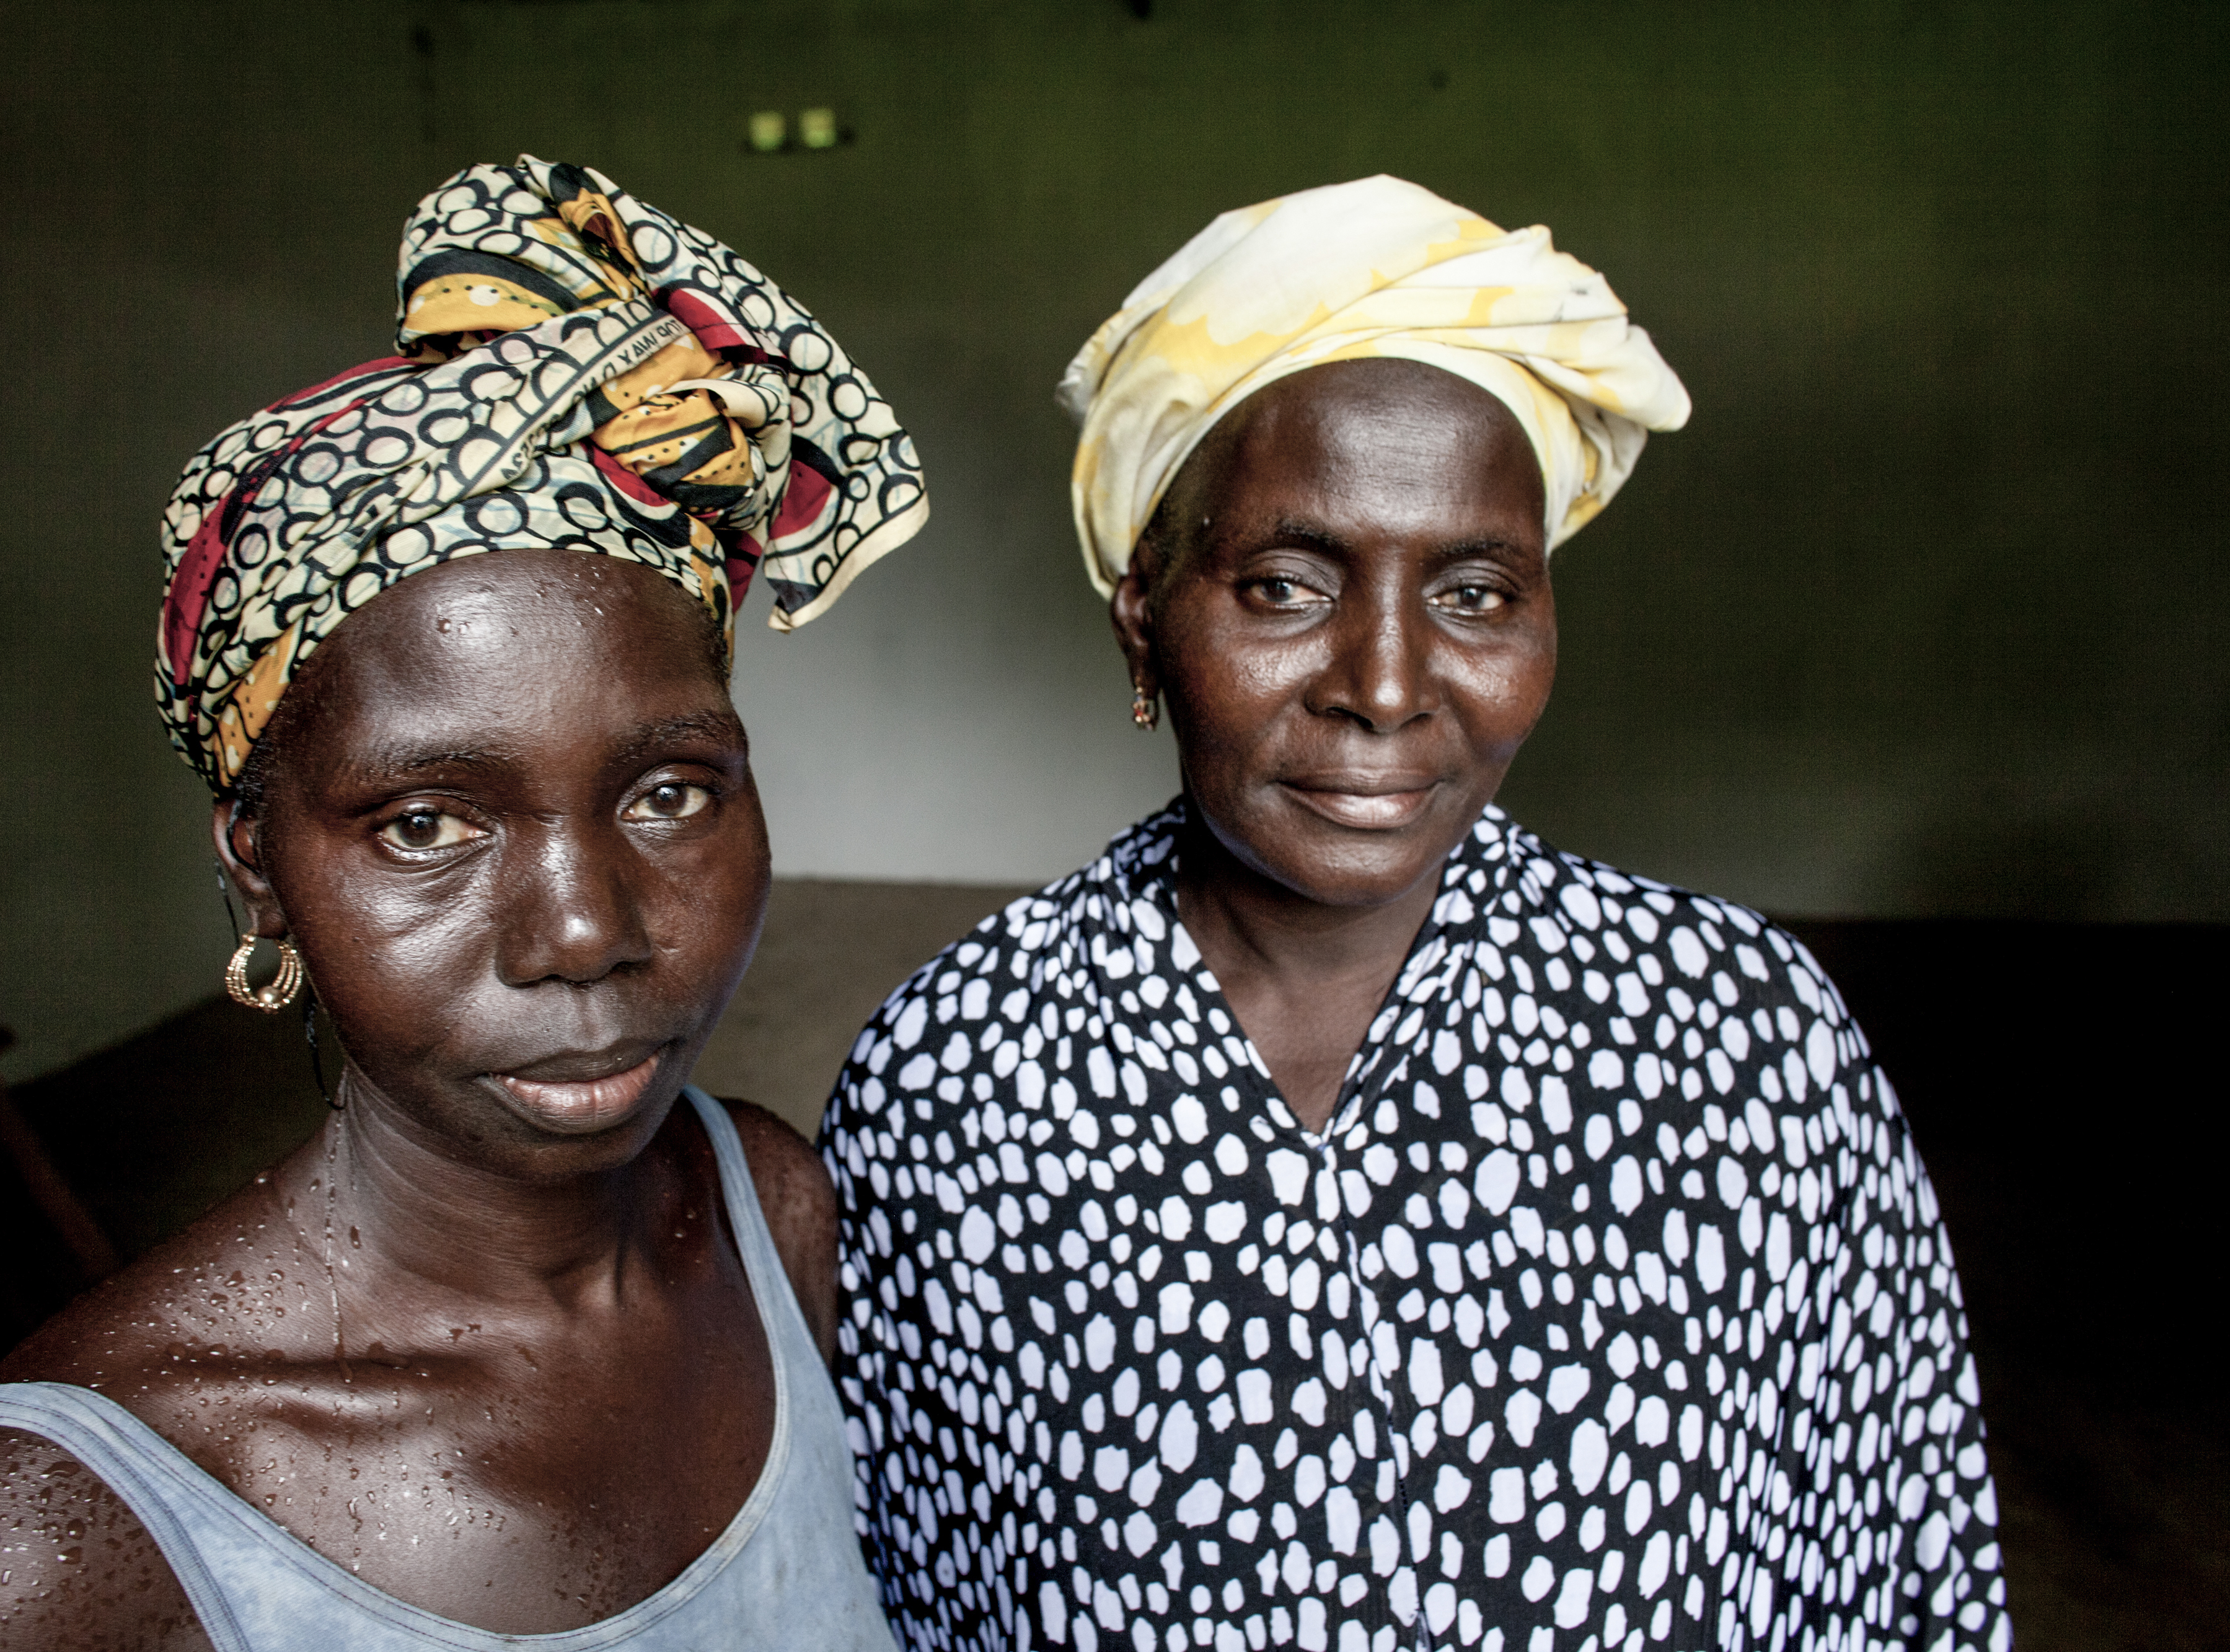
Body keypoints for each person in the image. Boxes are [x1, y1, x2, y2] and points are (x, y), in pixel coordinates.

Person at [822, 178, 2009, 1652]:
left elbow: (1894, 1578)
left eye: (1472, 593)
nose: (1382, 686)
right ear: (1145, 615)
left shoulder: (1735, 1050)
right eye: (1281, 585)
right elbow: (915, 1595)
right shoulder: (961, 1076)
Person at [0, 156, 925, 1651]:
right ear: (258, 866)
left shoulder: (767, 1213)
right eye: (427, 822)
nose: (584, 931)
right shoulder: (53, 1540)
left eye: (666, 792)